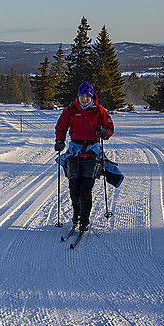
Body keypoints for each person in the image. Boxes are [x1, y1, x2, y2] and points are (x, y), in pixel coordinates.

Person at [54, 81, 114, 232]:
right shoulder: (70, 111)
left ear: (92, 95)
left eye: (87, 96)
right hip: (75, 153)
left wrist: (104, 133)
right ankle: (76, 216)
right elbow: (61, 127)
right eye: (81, 96)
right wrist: (60, 141)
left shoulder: (99, 111)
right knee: (74, 190)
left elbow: (110, 128)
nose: (84, 99)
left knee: (86, 190)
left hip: (92, 153)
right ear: (78, 96)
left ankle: (85, 220)